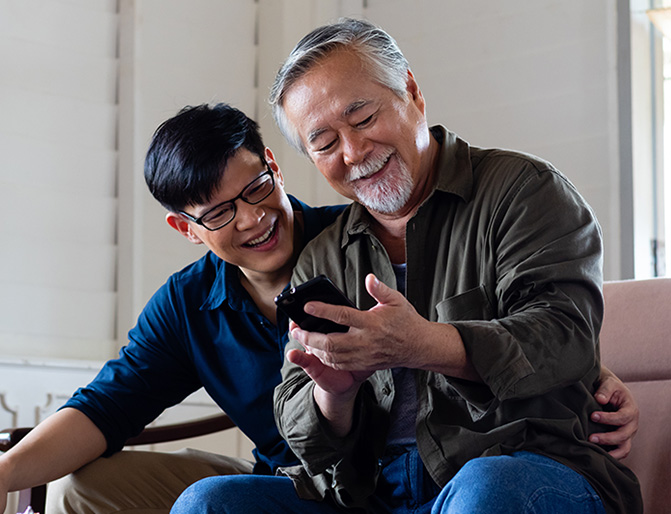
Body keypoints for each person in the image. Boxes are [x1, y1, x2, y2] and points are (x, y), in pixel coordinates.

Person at [0, 102, 633, 514]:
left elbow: (518, 317)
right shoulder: (190, 304)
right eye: (220, 212)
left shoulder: (367, 234)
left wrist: (596, 377)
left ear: (273, 165)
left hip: (415, 468)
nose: (252, 219)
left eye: (256, 188)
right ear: (184, 228)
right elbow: (108, 405)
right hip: (294, 477)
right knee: (81, 488)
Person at [170, 18, 642, 514]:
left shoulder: (525, 192)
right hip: (372, 495)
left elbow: (564, 336)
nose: (353, 152)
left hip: (521, 468)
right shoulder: (323, 253)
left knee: (486, 489)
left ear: (411, 92)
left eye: (364, 117)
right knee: (209, 503)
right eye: (325, 143)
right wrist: (336, 396)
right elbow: (301, 425)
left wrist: (423, 344)